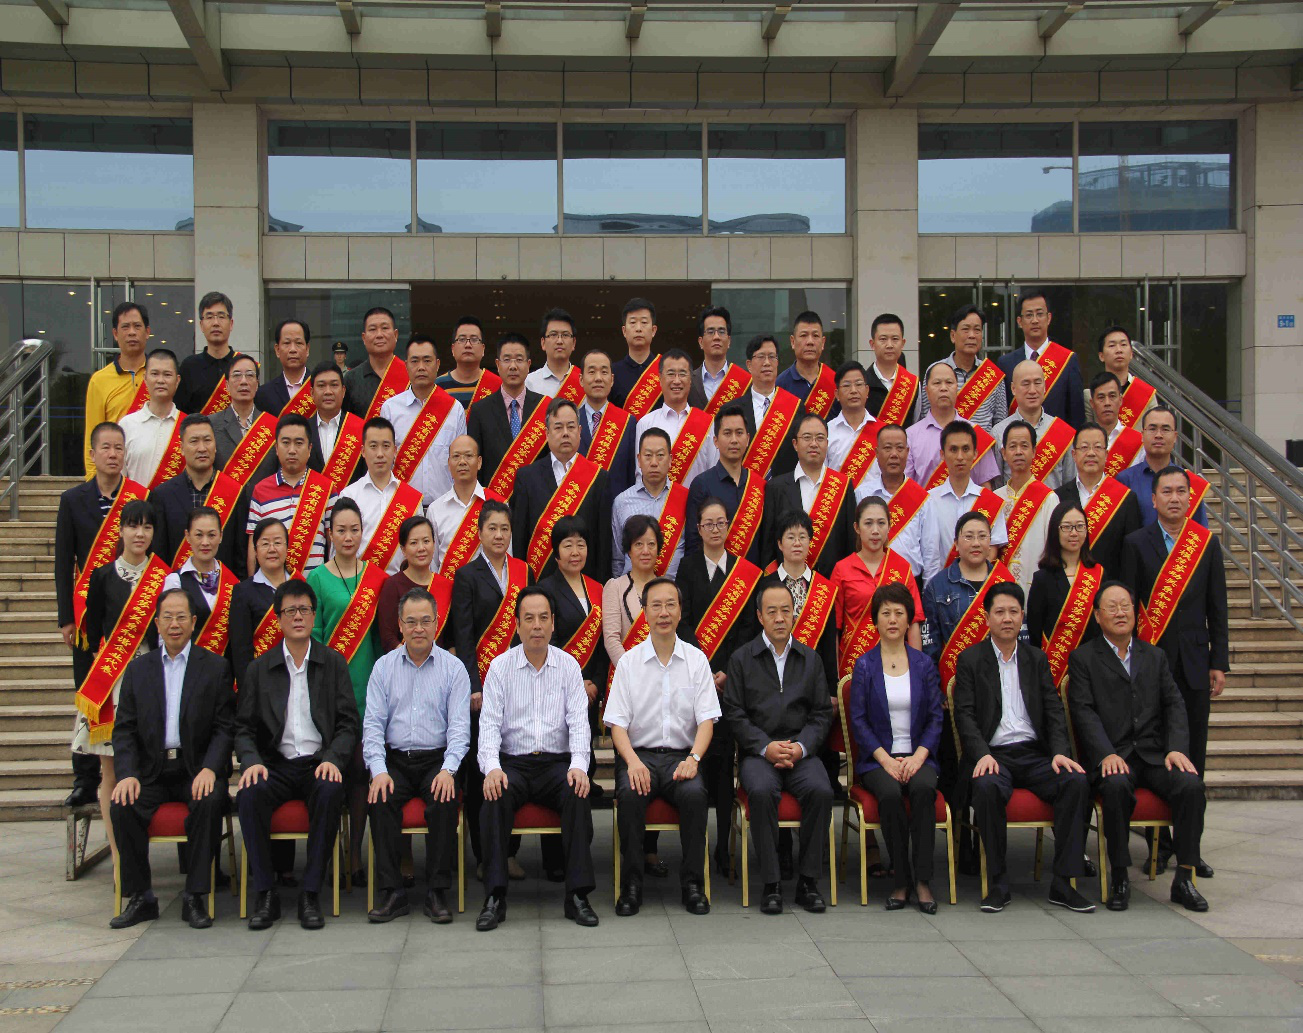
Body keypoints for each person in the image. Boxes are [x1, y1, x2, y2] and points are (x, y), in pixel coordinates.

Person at [1069, 581, 1209, 913]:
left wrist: (1176, 748)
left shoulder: (1155, 656)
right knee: (1116, 786)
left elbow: (1175, 704)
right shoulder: (1084, 658)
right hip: (1114, 755)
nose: (1120, 613)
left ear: (1135, 612)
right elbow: (1083, 712)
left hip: (1154, 755)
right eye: (1112, 607)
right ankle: (1119, 875)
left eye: (1126, 606)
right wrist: (1105, 753)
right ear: (1097, 616)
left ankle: (1184, 878)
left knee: (1191, 786)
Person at [952, 582, 1093, 914]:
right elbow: (965, 716)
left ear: (1022, 616)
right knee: (986, 787)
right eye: (1000, 612)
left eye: (1013, 612)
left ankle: (1063, 882)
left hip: (1034, 754)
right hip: (994, 755)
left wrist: (1059, 751)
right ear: (987, 618)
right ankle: (998, 883)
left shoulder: (1036, 659)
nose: (1007, 618)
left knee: (1075, 782)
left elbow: (1054, 710)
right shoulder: (970, 660)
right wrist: (982, 754)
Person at [236, 579, 359, 930]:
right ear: (278, 619)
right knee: (249, 794)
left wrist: (333, 758)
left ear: (314, 616)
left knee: (331, 791)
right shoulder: (259, 668)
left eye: (304, 609)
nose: (298, 617)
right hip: (274, 765)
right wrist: (251, 761)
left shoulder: (333, 663)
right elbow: (243, 728)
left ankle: (311, 893)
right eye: (290, 611)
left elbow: (348, 723)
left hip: (317, 763)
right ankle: (266, 893)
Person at [108, 588, 234, 930]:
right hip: (152, 770)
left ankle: (195, 896)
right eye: (167, 617)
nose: (174, 624)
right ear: (157, 623)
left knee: (209, 800)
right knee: (122, 805)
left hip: (195, 769)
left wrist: (210, 768)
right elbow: (124, 730)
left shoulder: (215, 667)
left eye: (181, 617)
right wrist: (127, 773)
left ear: (193, 622)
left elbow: (225, 727)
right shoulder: (139, 670)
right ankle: (141, 897)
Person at [476, 587, 599, 931]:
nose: (536, 626)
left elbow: (579, 723)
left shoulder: (568, 666)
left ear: (553, 623)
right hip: (513, 764)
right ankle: (494, 897)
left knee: (578, 792)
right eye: (528, 618)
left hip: (556, 764)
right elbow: (489, 726)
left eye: (543, 618)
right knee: (494, 796)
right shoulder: (500, 667)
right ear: (516, 625)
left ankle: (578, 896)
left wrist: (579, 766)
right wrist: (492, 768)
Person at [606, 577, 718, 917]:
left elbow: (707, 721)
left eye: (671, 604)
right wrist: (632, 762)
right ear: (645, 612)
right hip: (638, 756)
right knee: (629, 795)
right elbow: (617, 725)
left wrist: (694, 758)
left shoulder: (696, 660)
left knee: (695, 795)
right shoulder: (629, 663)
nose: (664, 612)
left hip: (682, 758)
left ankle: (693, 884)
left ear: (680, 611)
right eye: (656, 605)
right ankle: (631, 885)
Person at [724, 582, 835, 915]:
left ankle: (808, 882)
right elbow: (734, 713)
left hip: (801, 753)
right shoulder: (742, 659)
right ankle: (771, 884)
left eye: (786, 610)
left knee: (822, 790)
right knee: (760, 791)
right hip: (759, 753)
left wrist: (801, 747)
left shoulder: (810, 659)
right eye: (771, 611)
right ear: (760, 616)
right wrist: (764, 746)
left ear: (794, 615)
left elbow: (821, 713)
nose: (779, 618)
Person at [363, 586, 471, 924]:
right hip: (395, 760)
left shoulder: (454, 669)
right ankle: (392, 891)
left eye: (426, 621)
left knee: (443, 799)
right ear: (399, 624)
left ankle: (437, 891)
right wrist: (378, 770)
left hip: (437, 760)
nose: (419, 628)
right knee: (380, 797)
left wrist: (449, 770)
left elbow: (459, 730)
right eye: (411, 622)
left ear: (437, 623)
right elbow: (372, 726)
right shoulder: (383, 668)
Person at [1121, 467, 1228, 797]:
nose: (1174, 498)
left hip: (1195, 660)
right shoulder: (1136, 543)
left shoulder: (1206, 543)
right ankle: (1159, 822)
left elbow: (1218, 607)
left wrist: (1218, 662)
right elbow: (1128, 606)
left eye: (1181, 491)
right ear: (1153, 500)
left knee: (1194, 741)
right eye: (1166, 492)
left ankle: (1190, 819)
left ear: (1190, 498)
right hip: (1150, 658)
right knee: (1154, 741)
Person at [676, 498, 762, 876]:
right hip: (695, 680)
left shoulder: (744, 572)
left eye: (720, 523)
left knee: (726, 766)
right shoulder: (688, 567)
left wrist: (727, 671)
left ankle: (724, 848)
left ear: (729, 527)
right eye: (708, 524)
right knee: (697, 764)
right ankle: (693, 847)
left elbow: (748, 629)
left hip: (730, 684)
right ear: (698, 529)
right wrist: (704, 670)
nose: (714, 529)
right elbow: (683, 621)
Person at [73, 499, 161, 864]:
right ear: (121, 530)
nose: (139, 534)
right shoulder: (102, 577)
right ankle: (120, 859)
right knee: (110, 768)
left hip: (153, 678)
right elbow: (93, 635)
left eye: (147, 527)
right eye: (133, 526)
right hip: (114, 680)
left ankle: (140, 850)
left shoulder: (164, 577)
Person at [846, 582, 943, 912]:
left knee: (924, 790)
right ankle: (901, 880)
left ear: (908, 620)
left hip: (918, 757)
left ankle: (923, 881)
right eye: (885, 613)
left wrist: (918, 757)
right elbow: (859, 721)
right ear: (875, 620)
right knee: (888, 794)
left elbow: (936, 718)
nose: (892, 619)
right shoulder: (864, 666)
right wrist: (886, 760)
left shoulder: (923, 664)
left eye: (899, 613)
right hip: (879, 761)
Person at [448, 499, 531, 877]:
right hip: (482, 688)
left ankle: (509, 852)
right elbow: (463, 637)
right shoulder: (466, 576)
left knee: (513, 764)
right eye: (492, 528)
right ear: (479, 533)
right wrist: (473, 685)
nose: (499, 535)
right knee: (481, 772)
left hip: (519, 683)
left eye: (504, 528)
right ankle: (484, 856)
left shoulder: (523, 571)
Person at [58, 421, 135, 808]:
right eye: (105, 447)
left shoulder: (137, 499)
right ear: (92, 454)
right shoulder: (73, 500)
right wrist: (65, 618)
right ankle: (85, 778)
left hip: (129, 612)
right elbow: (63, 562)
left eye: (119, 448)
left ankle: (131, 767)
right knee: (87, 695)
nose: (112, 454)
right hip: (88, 617)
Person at [308, 496, 384, 876]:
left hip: (371, 689)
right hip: (333, 691)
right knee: (335, 770)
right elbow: (315, 640)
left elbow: (383, 638)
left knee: (360, 771)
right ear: (330, 534)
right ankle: (327, 854)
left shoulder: (376, 577)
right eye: (341, 530)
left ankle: (355, 853)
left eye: (355, 529)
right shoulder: (317, 579)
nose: (348, 536)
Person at [512, 398, 610, 583]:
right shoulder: (527, 477)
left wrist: (600, 587)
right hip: (539, 583)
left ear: (580, 431)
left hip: (584, 584)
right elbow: (519, 538)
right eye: (558, 427)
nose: (565, 433)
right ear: (547, 433)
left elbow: (603, 542)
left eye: (571, 427)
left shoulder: (598, 478)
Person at [832, 497, 924, 682]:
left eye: (881, 523)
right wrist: (834, 678)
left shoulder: (902, 567)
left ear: (889, 527)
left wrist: (917, 671)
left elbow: (913, 622)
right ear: (857, 528)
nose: (875, 530)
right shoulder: (842, 569)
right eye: (868, 523)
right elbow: (834, 627)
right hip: (854, 665)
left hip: (897, 666)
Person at [756, 510, 839, 714]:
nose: (797, 543)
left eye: (802, 537)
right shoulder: (764, 585)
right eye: (790, 537)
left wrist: (832, 689)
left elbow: (829, 642)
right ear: (780, 544)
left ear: (810, 542)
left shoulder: (824, 588)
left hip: (813, 678)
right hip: (772, 675)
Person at [760, 413, 856, 578]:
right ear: (795, 444)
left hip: (831, 584)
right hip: (786, 584)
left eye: (820, 438)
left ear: (827, 443)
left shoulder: (842, 485)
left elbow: (850, 542)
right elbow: (768, 544)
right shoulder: (776, 487)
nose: (813, 443)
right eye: (807, 438)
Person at [150, 415, 246, 577]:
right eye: (194, 441)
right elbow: (159, 555)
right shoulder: (162, 495)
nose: (202, 448)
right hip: (178, 588)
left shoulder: (235, 492)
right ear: (181, 448)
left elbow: (240, 555)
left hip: (222, 588)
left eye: (207, 440)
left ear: (215, 445)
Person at [245, 413, 338, 577]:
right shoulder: (260, 490)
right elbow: (253, 547)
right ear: (276, 448)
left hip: (314, 585)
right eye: (286, 443)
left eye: (299, 443)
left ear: (310, 449)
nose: (292, 450)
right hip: (272, 586)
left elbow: (333, 544)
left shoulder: (326, 488)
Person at [380, 333, 467, 506]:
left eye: (427, 361)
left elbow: (462, 461)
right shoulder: (390, 409)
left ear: (437, 364)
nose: (421, 367)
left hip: (445, 507)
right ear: (406, 365)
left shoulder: (454, 409)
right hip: (402, 507)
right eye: (415, 361)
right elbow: (384, 462)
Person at [918, 422, 1008, 583]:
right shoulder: (928, 500)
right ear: (942, 454)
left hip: (979, 589)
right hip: (941, 588)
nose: (960, 456)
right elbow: (929, 552)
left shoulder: (991, 501)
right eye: (953, 449)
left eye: (965, 449)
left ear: (975, 454)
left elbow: (992, 550)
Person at [1026, 501, 1103, 685]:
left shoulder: (1099, 574)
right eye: (1067, 527)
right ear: (1055, 531)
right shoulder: (1042, 579)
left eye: (1079, 526)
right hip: (1055, 671)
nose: (1074, 533)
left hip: (1094, 668)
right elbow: (1035, 632)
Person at [1055, 422, 1143, 576]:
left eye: (1097, 447)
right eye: (1084, 447)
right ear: (1074, 454)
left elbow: (1131, 556)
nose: (1091, 453)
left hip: (1110, 586)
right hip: (1068, 587)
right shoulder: (1057, 497)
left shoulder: (1125, 498)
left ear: (1106, 454)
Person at [339, 418, 424, 576]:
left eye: (386, 446)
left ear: (395, 450)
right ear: (363, 451)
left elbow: (421, 548)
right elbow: (340, 550)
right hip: (361, 583)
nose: (380, 454)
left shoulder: (411, 497)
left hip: (402, 583)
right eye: (373, 446)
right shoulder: (349, 495)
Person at [466, 334, 547, 496]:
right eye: (507, 359)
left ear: (528, 365)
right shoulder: (480, 411)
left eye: (519, 360)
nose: (513, 366)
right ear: (497, 364)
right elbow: (475, 463)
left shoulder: (544, 408)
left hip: (537, 499)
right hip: (494, 502)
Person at [540, 517, 608, 708]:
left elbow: (604, 642)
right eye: (568, 545)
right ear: (556, 551)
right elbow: (547, 644)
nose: (575, 552)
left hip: (592, 691)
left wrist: (597, 683)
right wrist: (576, 683)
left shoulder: (598, 589)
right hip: (558, 689)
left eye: (581, 545)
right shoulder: (544, 590)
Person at [685, 402, 765, 563]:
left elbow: (765, 540)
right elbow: (693, 542)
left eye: (739, 433)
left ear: (748, 439)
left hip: (754, 575)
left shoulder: (759, 485)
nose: (734, 440)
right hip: (713, 575)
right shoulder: (701, 484)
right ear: (715, 441)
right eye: (727, 433)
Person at [996, 289, 1085, 429]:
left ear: (1048, 318)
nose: (1035, 320)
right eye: (1029, 315)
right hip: (1017, 440)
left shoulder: (1068, 360)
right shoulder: (1005, 363)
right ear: (1019, 321)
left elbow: (1076, 414)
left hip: (1056, 440)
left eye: (1039, 314)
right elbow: (1002, 413)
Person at [905, 362, 1000, 491]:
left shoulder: (976, 434)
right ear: (926, 391)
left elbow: (986, 486)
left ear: (957, 388)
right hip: (926, 504)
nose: (943, 388)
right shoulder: (910, 436)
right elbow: (907, 486)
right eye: (937, 383)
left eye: (949, 382)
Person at [636, 349, 719, 489]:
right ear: (660, 378)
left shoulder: (708, 423)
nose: (676, 381)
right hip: (658, 503)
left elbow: (714, 471)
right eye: (670, 374)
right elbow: (640, 475)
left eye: (682, 374)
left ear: (690, 380)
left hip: (698, 501)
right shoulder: (645, 423)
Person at [84, 301, 149, 478]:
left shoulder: (161, 376)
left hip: (154, 473)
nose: (132, 332)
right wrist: (93, 482)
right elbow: (92, 437)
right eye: (125, 327)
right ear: (115, 333)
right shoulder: (99, 381)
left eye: (137, 326)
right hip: (114, 477)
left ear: (147, 332)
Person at [1116, 406, 1210, 528]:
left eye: (1165, 429)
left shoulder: (1190, 482)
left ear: (1175, 436)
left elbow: (1200, 532)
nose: (1158, 435)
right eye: (1152, 429)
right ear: (1142, 435)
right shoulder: (1125, 479)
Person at [855, 423, 928, 576]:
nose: (894, 454)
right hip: (869, 580)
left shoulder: (922, 498)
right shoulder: (862, 494)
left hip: (909, 581)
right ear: (876, 453)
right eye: (887, 448)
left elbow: (930, 552)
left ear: (907, 452)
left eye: (900, 448)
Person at [992, 420, 1056, 597]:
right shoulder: (995, 498)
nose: (1018, 452)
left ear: (1034, 451)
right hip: (1000, 590)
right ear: (1004, 453)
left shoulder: (1049, 499)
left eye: (1024, 446)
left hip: (1036, 589)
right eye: (1013, 446)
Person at [612, 428, 686, 578]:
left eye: (660, 455)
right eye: (648, 456)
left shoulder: (685, 498)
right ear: (639, 460)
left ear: (670, 460)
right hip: (632, 589)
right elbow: (618, 558)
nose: (654, 463)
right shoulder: (622, 501)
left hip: (674, 589)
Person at [991, 360, 1075, 490]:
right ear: (1013, 388)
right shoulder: (998, 432)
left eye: (1037, 383)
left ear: (1045, 386)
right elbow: (997, 485)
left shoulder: (1063, 432)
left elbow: (1070, 484)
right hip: (1013, 503)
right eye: (1026, 384)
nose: (1032, 390)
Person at [162, 508, 239, 650]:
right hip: (188, 661)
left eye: (211, 535)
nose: (205, 542)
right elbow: (165, 634)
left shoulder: (233, 583)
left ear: (221, 536)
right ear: (187, 536)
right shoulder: (176, 581)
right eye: (199, 535)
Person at [919, 303, 1003, 431]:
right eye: (966, 329)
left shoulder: (993, 375)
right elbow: (926, 418)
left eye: (977, 330)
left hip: (982, 444)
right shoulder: (935, 371)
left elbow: (1001, 424)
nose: (972, 335)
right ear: (953, 336)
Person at [230, 518, 290, 688]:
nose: (272, 549)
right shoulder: (243, 592)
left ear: (287, 547)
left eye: (277, 542)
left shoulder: (299, 587)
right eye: (265, 544)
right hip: (261, 683)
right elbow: (241, 651)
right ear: (255, 550)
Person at [377, 516, 447, 654]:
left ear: (434, 544)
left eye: (426, 541)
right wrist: (414, 660)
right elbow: (387, 636)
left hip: (440, 664)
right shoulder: (392, 586)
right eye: (414, 543)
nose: (421, 548)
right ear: (403, 549)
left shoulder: (446, 586)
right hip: (402, 662)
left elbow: (451, 639)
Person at [427, 435, 496, 576]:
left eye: (468, 456)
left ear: (479, 462)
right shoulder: (435, 510)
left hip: (488, 587)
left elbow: (506, 556)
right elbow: (432, 563)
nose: (462, 462)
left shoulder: (497, 505)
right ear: (449, 463)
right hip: (448, 586)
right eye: (456, 456)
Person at [576, 349, 637, 501]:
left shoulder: (628, 422)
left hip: (617, 507)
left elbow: (632, 475)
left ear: (612, 379)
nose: (598, 378)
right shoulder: (571, 421)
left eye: (604, 372)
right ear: (581, 379)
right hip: (578, 506)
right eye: (591, 372)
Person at [739, 335, 800, 479]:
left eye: (772, 357)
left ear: (777, 362)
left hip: (785, 487)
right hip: (746, 487)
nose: (767, 362)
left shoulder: (795, 407)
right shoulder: (734, 410)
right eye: (761, 357)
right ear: (749, 365)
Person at [120, 349, 184, 488]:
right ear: (145, 378)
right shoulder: (127, 425)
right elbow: (119, 478)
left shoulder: (187, 426)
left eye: (167, 375)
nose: (160, 380)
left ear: (177, 380)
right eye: (155, 374)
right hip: (136, 501)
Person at [177, 292, 238, 416]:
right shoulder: (189, 366)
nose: (216, 323)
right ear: (201, 325)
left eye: (221, 316)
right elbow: (180, 413)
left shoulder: (242, 365)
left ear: (231, 324)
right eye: (209, 317)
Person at [306, 361, 366, 487]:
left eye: (334, 385)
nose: (328, 391)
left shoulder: (361, 429)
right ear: (312, 393)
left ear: (343, 391)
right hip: (311, 498)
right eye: (321, 386)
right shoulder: (303, 430)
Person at [345, 307, 409, 420]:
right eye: (373, 329)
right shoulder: (351, 379)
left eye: (385, 328)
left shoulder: (411, 374)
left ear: (396, 335)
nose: (379, 335)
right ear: (364, 338)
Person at [210, 355, 268, 474]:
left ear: (257, 384)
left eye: (250, 375)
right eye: (237, 375)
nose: (243, 382)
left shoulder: (271, 426)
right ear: (227, 385)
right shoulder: (211, 424)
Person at [826, 361, 880, 488]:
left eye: (859, 384)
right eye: (846, 385)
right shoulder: (827, 431)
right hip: (838, 498)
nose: (853, 390)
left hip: (875, 500)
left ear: (867, 390)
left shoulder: (882, 432)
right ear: (837, 394)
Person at [777, 310, 839, 420]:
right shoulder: (780, 385)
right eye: (803, 335)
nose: (810, 341)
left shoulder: (836, 382)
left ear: (823, 342)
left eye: (815, 336)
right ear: (793, 342)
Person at [688, 305, 750, 415]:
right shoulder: (688, 382)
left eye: (721, 332)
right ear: (701, 342)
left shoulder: (745, 381)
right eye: (710, 332)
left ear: (729, 341)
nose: (716, 337)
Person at [864, 313, 919, 429]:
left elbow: (917, 424)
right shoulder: (862, 383)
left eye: (895, 339)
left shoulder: (914, 384)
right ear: (872, 344)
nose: (889, 345)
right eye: (883, 339)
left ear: (903, 343)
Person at [1097, 325, 1157, 429]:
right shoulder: (1091, 394)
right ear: (1101, 356)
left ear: (1131, 354)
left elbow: (1154, 430)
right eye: (1112, 345)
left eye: (1123, 344)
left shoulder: (1146, 394)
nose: (1119, 350)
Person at [435, 316, 501, 409]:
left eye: (474, 340)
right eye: (462, 339)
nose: (468, 345)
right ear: (453, 349)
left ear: (483, 349)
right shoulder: (438, 386)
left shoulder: (498, 385)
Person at [611, 298, 661, 418]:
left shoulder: (665, 370)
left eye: (644, 322)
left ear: (653, 330)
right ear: (624, 331)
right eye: (633, 322)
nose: (638, 328)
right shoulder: (612, 372)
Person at [1087, 372, 1144, 475]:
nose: (1107, 403)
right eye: (1101, 397)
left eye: (1112, 396)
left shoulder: (1138, 442)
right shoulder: (1082, 440)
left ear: (1120, 400)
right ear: (1092, 403)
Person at [254, 319, 312, 416]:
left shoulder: (320, 388)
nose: (293, 349)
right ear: (277, 350)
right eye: (287, 343)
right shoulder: (263, 394)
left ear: (307, 349)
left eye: (298, 343)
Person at [525, 308, 579, 396]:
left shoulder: (584, 381)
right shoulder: (529, 383)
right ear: (543, 343)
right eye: (553, 335)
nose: (559, 341)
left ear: (573, 343)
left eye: (565, 335)